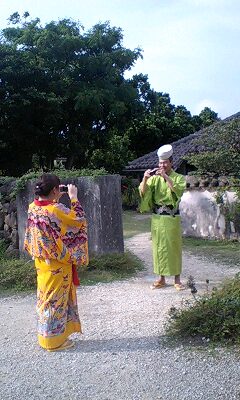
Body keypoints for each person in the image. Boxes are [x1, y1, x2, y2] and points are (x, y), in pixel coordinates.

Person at [24, 174, 88, 351]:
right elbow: (78, 221)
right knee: (56, 302)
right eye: (57, 188)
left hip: (42, 264)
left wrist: (54, 197)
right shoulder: (55, 209)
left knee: (45, 299)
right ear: (54, 190)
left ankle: (47, 336)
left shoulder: (32, 207)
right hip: (58, 264)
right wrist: (74, 197)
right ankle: (52, 342)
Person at [139, 144, 186, 290]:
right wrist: (145, 179)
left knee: (174, 247)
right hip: (157, 218)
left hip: (172, 218)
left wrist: (165, 177)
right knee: (159, 248)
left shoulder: (178, 177)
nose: (162, 165)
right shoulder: (154, 179)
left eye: (165, 162)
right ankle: (161, 279)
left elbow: (177, 190)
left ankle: (177, 279)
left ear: (171, 162)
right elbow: (142, 192)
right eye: (160, 163)